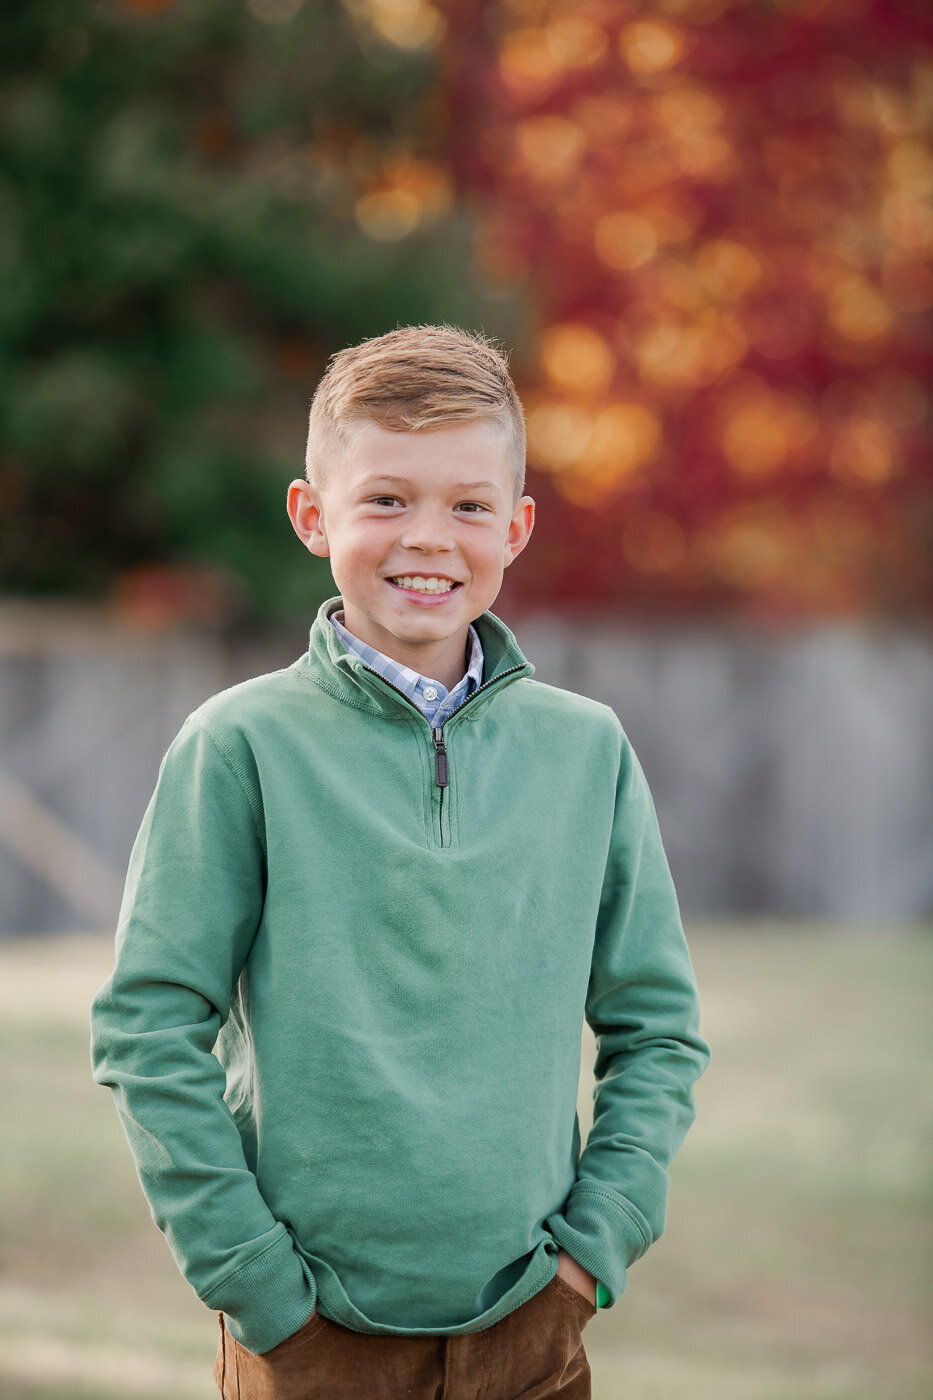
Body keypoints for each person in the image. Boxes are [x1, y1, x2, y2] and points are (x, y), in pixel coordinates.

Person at [90, 324, 710, 1400]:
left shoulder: (587, 750)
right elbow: (147, 1024)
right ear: (312, 514)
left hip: (533, 1325)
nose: (430, 536)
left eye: (469, 505)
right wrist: (258, 1288)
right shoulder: (240, 746)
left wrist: (591, 1250)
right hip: (310, 1334)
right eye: (386, 498)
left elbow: (657, 1027)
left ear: (515, 527)